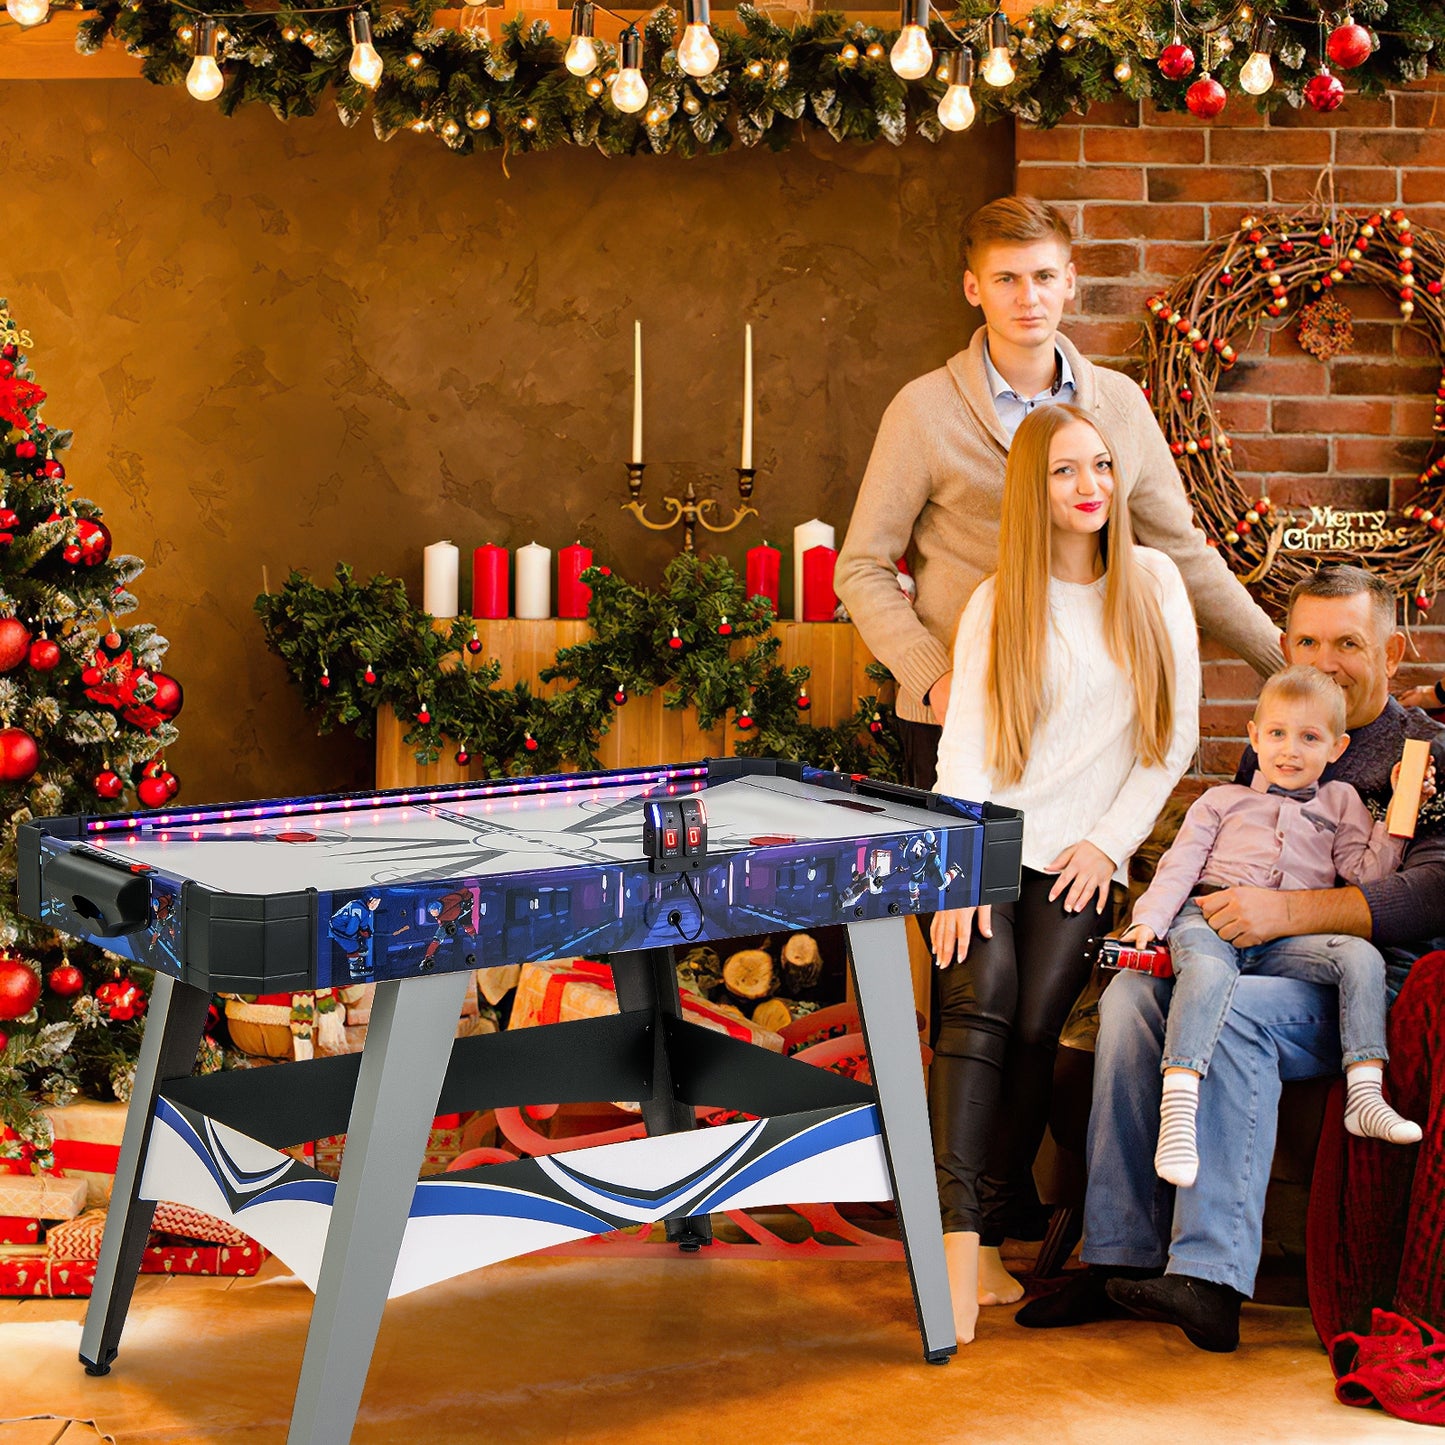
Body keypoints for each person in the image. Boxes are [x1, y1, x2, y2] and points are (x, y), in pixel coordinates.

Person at [1018, 564, 1445, 1354]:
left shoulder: (1424, 757)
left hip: (1352, 981)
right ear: (1283, 646)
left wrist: (1282, 912)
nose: (1324, 660)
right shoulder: (1283, 733)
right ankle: (1115, 1253)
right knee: (1128, 1003)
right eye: (1307, 640)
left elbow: (1430, 890)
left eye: (1348, 642)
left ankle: (1209, 1276)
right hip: (1250, 957)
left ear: (1391, 652)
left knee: (1233, 1014)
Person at [834, 193, 1281, 801]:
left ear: (1069, 281)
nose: (1028, 297)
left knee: (1075, 889)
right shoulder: (923, 411)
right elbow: (863, 567)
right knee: (968, 898)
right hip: (962, 714)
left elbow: (1183, 552)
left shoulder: (1119, 405)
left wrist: (1285, 666)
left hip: (1090, 716)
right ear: (973, 288)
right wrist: (935, 679)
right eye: (1006, 279)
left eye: (1044, 276)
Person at [927, 402, 1200, 1345]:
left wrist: (1110, 841)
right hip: (989, 841)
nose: (1089, 487)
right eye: (1063, 472)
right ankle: (955, 1248)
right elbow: (963, 752)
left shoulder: (1154, 584)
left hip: (1080, 856)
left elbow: (1172, 739)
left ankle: (991, 1231)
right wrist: (961, 869)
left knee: (1036, 1023)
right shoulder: (997, 600)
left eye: (1100, 466)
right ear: (1030, 491)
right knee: (978, 1005)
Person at [1120, 665, 1426, 1193]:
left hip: (1286, 937)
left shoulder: (1343, 803)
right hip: (1210, 915)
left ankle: (1366, 1093)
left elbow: (1366, 874)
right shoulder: (1220, 801)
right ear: (1255, 735)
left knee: (1361, 957)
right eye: (1278, 734)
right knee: (1211, 973)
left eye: (1309, 738)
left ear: (1336, 747)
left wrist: (1401, 810)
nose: (1290, 749)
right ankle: (1179, 1107)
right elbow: (1180, 867)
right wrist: (1147, 922)